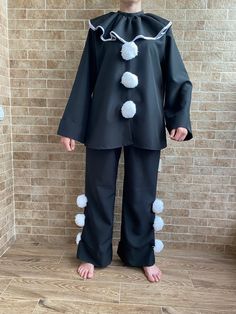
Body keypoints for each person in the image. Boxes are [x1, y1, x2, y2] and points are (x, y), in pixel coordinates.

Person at [57, 0, 193, 283]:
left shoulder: (161, 29)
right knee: (98, 188)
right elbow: (85, 77)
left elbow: (176, 77)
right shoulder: (99, 28)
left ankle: (140, 253)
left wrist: (179, 118)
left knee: (143, 191)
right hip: (103, 121)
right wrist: (72, 126)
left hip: (147, 120)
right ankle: (94, 253)